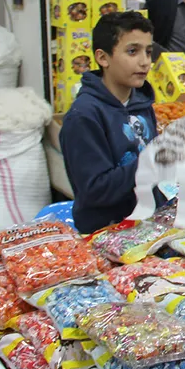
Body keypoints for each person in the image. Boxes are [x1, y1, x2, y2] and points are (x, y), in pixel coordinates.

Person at [60, 12, 159, 234]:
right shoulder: (83, 116)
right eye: (132, 51)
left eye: (148, 52)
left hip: (148, 225)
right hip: (106, 233)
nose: (145, 61)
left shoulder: (141, 103)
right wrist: (155, 160)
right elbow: (95, 191)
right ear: (103, 58)